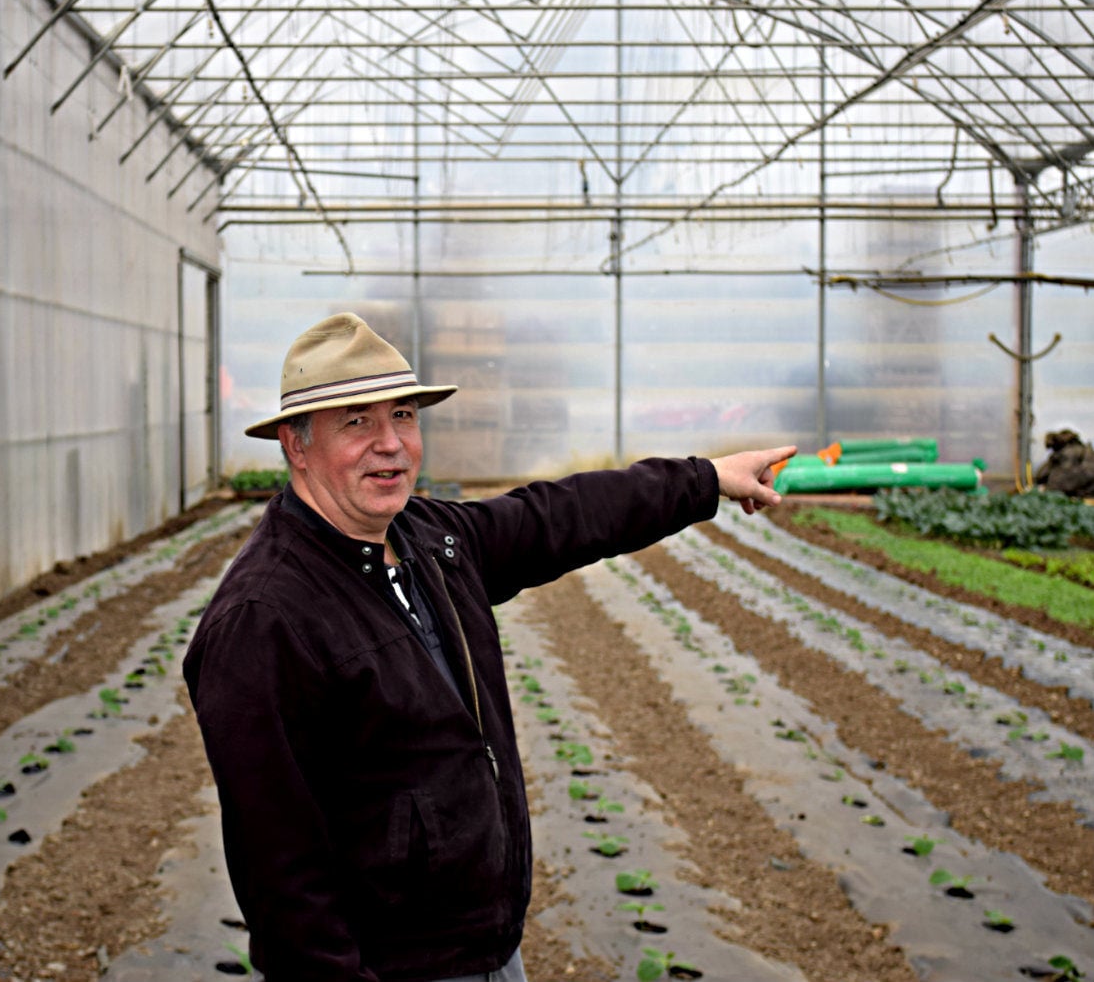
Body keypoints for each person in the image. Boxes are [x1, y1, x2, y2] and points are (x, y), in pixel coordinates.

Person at [184, 312, 794, 982]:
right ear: (296, 447)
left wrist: (705, 479)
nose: (391, 444)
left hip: (489, 949)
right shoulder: (264, 619)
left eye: (405, 416)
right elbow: (282, 878)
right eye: (356, 422)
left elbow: (563, 515)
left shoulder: (429, 539)